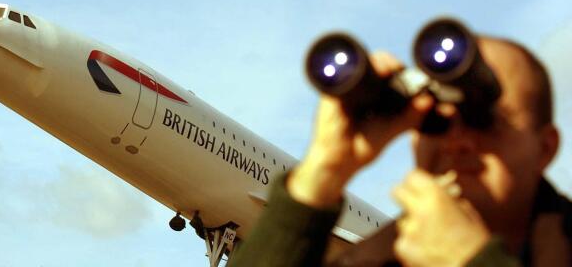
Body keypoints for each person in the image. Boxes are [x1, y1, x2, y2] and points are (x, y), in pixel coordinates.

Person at [228, 37, 571, 267]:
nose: (458, 140)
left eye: (486, 121)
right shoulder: (377, 257)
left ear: (545, 148)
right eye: (438, 119)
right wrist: (321, 174)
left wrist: (470, 259)